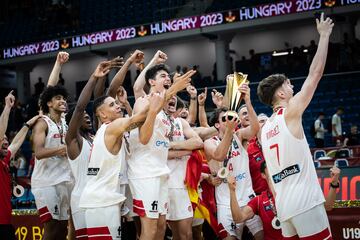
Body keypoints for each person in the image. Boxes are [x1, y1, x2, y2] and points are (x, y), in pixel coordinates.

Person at [257, 13, 334, 239]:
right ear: (281, 93)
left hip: (285, 207)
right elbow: (315, 74)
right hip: (306, 204)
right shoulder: (289, 113)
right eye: (289, 84)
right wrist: (324, 36)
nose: (293, 87)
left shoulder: (264, 129)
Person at [128, 62, 195, 240]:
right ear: (151, 82)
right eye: (163, 76)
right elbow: (143, 139)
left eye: (168, 76)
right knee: (149, 231)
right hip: (144, 173)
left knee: (160, 228)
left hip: (160, 171)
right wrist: (174, 88)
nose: (167, 78)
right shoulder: (143, 102)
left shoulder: (166, 114)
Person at [78, 90, 152, 239]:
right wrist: (158, 98)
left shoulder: (106, 130)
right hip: (101, 202)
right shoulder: (112, 127)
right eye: (112, 105)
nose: (118, 106)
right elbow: (140, 118)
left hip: (106, 199)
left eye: (117, 103)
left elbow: (136, 121)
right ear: (103, 115)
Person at [65, 59, 122, 239]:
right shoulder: (73, 140)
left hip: (101, 197)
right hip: (83, 199)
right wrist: (93, 77)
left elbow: (101, 100)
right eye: (84, 117)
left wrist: (102, 78)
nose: (88, 117)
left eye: (91, 115)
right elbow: (81, 108)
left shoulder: (96, 136)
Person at [204, 82, 263, 240]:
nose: (229, 120)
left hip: (248, 198)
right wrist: (229, 131)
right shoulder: (210, 142)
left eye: (230, 117)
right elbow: (220, 155)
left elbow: (255, 130)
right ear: (217, 124)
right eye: (225, 119)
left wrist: (248, 101)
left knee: (263, 236)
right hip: (226, 204)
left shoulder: (240, 136)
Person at [228, 162, 341, 240]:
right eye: (269, 164)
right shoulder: (259, 200)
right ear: (263, 175)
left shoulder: (295, 192)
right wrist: (232, 191)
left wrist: (334, 183)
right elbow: (239, 218)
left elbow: (328, 206)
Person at [31, 85, 72, 240]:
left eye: (64, 98)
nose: (63, 101)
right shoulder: (43, 122)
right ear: (49, 103)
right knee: (51, 226)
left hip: (63, 179)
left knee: (62, 228)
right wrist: (60, 150)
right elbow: (39, 152)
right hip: (45, 182)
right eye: (58, 98)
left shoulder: (63, 122)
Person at [0, 91, 40, 240]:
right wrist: (7, 108)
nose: (6, 142)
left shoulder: (4, 160)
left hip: (6, 224)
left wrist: (28, 124)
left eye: (6, 139)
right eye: (2, 140)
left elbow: (16, 143)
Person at [166, 96, 203, 240]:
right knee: (166, 232)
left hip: (182, 184)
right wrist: (187, 150)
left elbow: (198, 142)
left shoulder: (180, 122)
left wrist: (172, 145)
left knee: (186, 233)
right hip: (163, 183)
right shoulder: (156, 122)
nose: (172, 99)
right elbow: (159, 153)